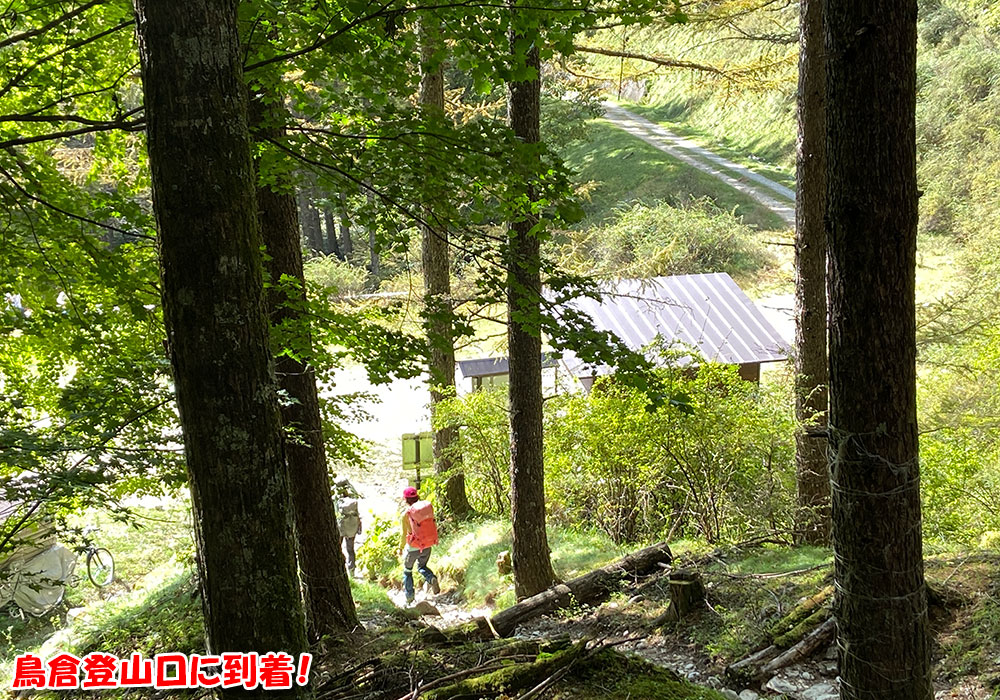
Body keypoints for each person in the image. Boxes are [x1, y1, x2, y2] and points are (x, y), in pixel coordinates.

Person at [399, 485, 440, 604]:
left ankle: (409, 597)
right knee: (422, 566)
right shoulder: (425, 508)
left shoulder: (406, 514)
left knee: (407, 571)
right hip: (427, 545)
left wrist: (400, 548)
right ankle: (431, 578)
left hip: (413, 547)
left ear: (406, 499)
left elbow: (404, 534)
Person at [334, 477, 361, 577]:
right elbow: (356, 493)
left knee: (337, 547)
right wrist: (348, 483)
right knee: (350, 549)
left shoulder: (336, 499)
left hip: (340, 527)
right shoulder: (353, 498)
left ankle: (339, 568)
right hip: (352, 526)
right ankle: (352, 570)